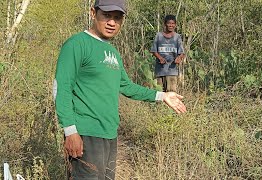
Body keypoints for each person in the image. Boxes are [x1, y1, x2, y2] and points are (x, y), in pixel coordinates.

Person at [53, 0, 187, 179]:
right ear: (93, 13)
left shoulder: (113, 53)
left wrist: (162, 95)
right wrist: (70, 131)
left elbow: (126, 86)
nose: (112, 23)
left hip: (109, 133)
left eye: (117, 18)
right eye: (107, 16)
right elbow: (61, 88)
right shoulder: (77, 44)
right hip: (86, 134)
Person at [150, 15, 185, 92]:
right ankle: (159, 105)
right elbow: (153, 50)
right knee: (159, 93)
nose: (171, 25)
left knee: (171, 93)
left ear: (175, 25)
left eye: (173, 23)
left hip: (172, 70)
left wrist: (179, 58)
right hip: (160, 70)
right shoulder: (159, 36)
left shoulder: (177, 37)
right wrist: (160, 58)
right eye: (169, 23)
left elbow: (182, 52)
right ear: (165, 24)